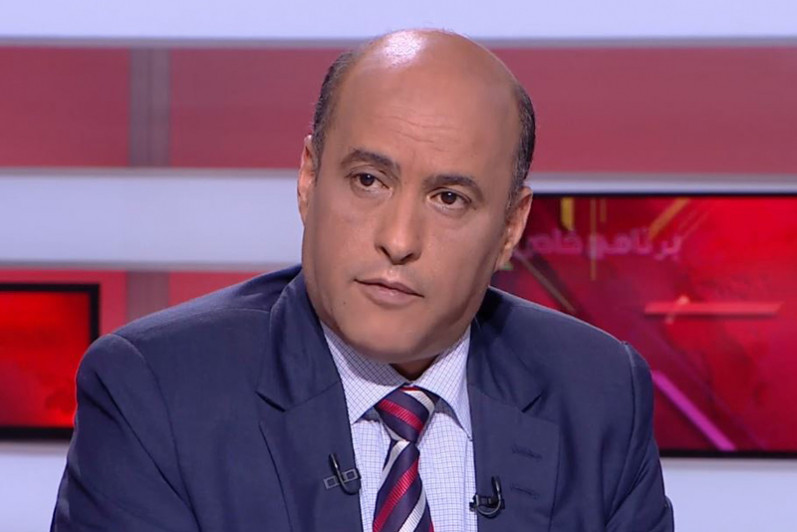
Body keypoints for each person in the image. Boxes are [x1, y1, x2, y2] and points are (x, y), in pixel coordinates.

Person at [51, 29, 673, 531]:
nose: (398, 240)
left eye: (449, 198)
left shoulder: (599, 395)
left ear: (511, 226)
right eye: (368, 180)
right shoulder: (156, 392)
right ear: (309, 177)